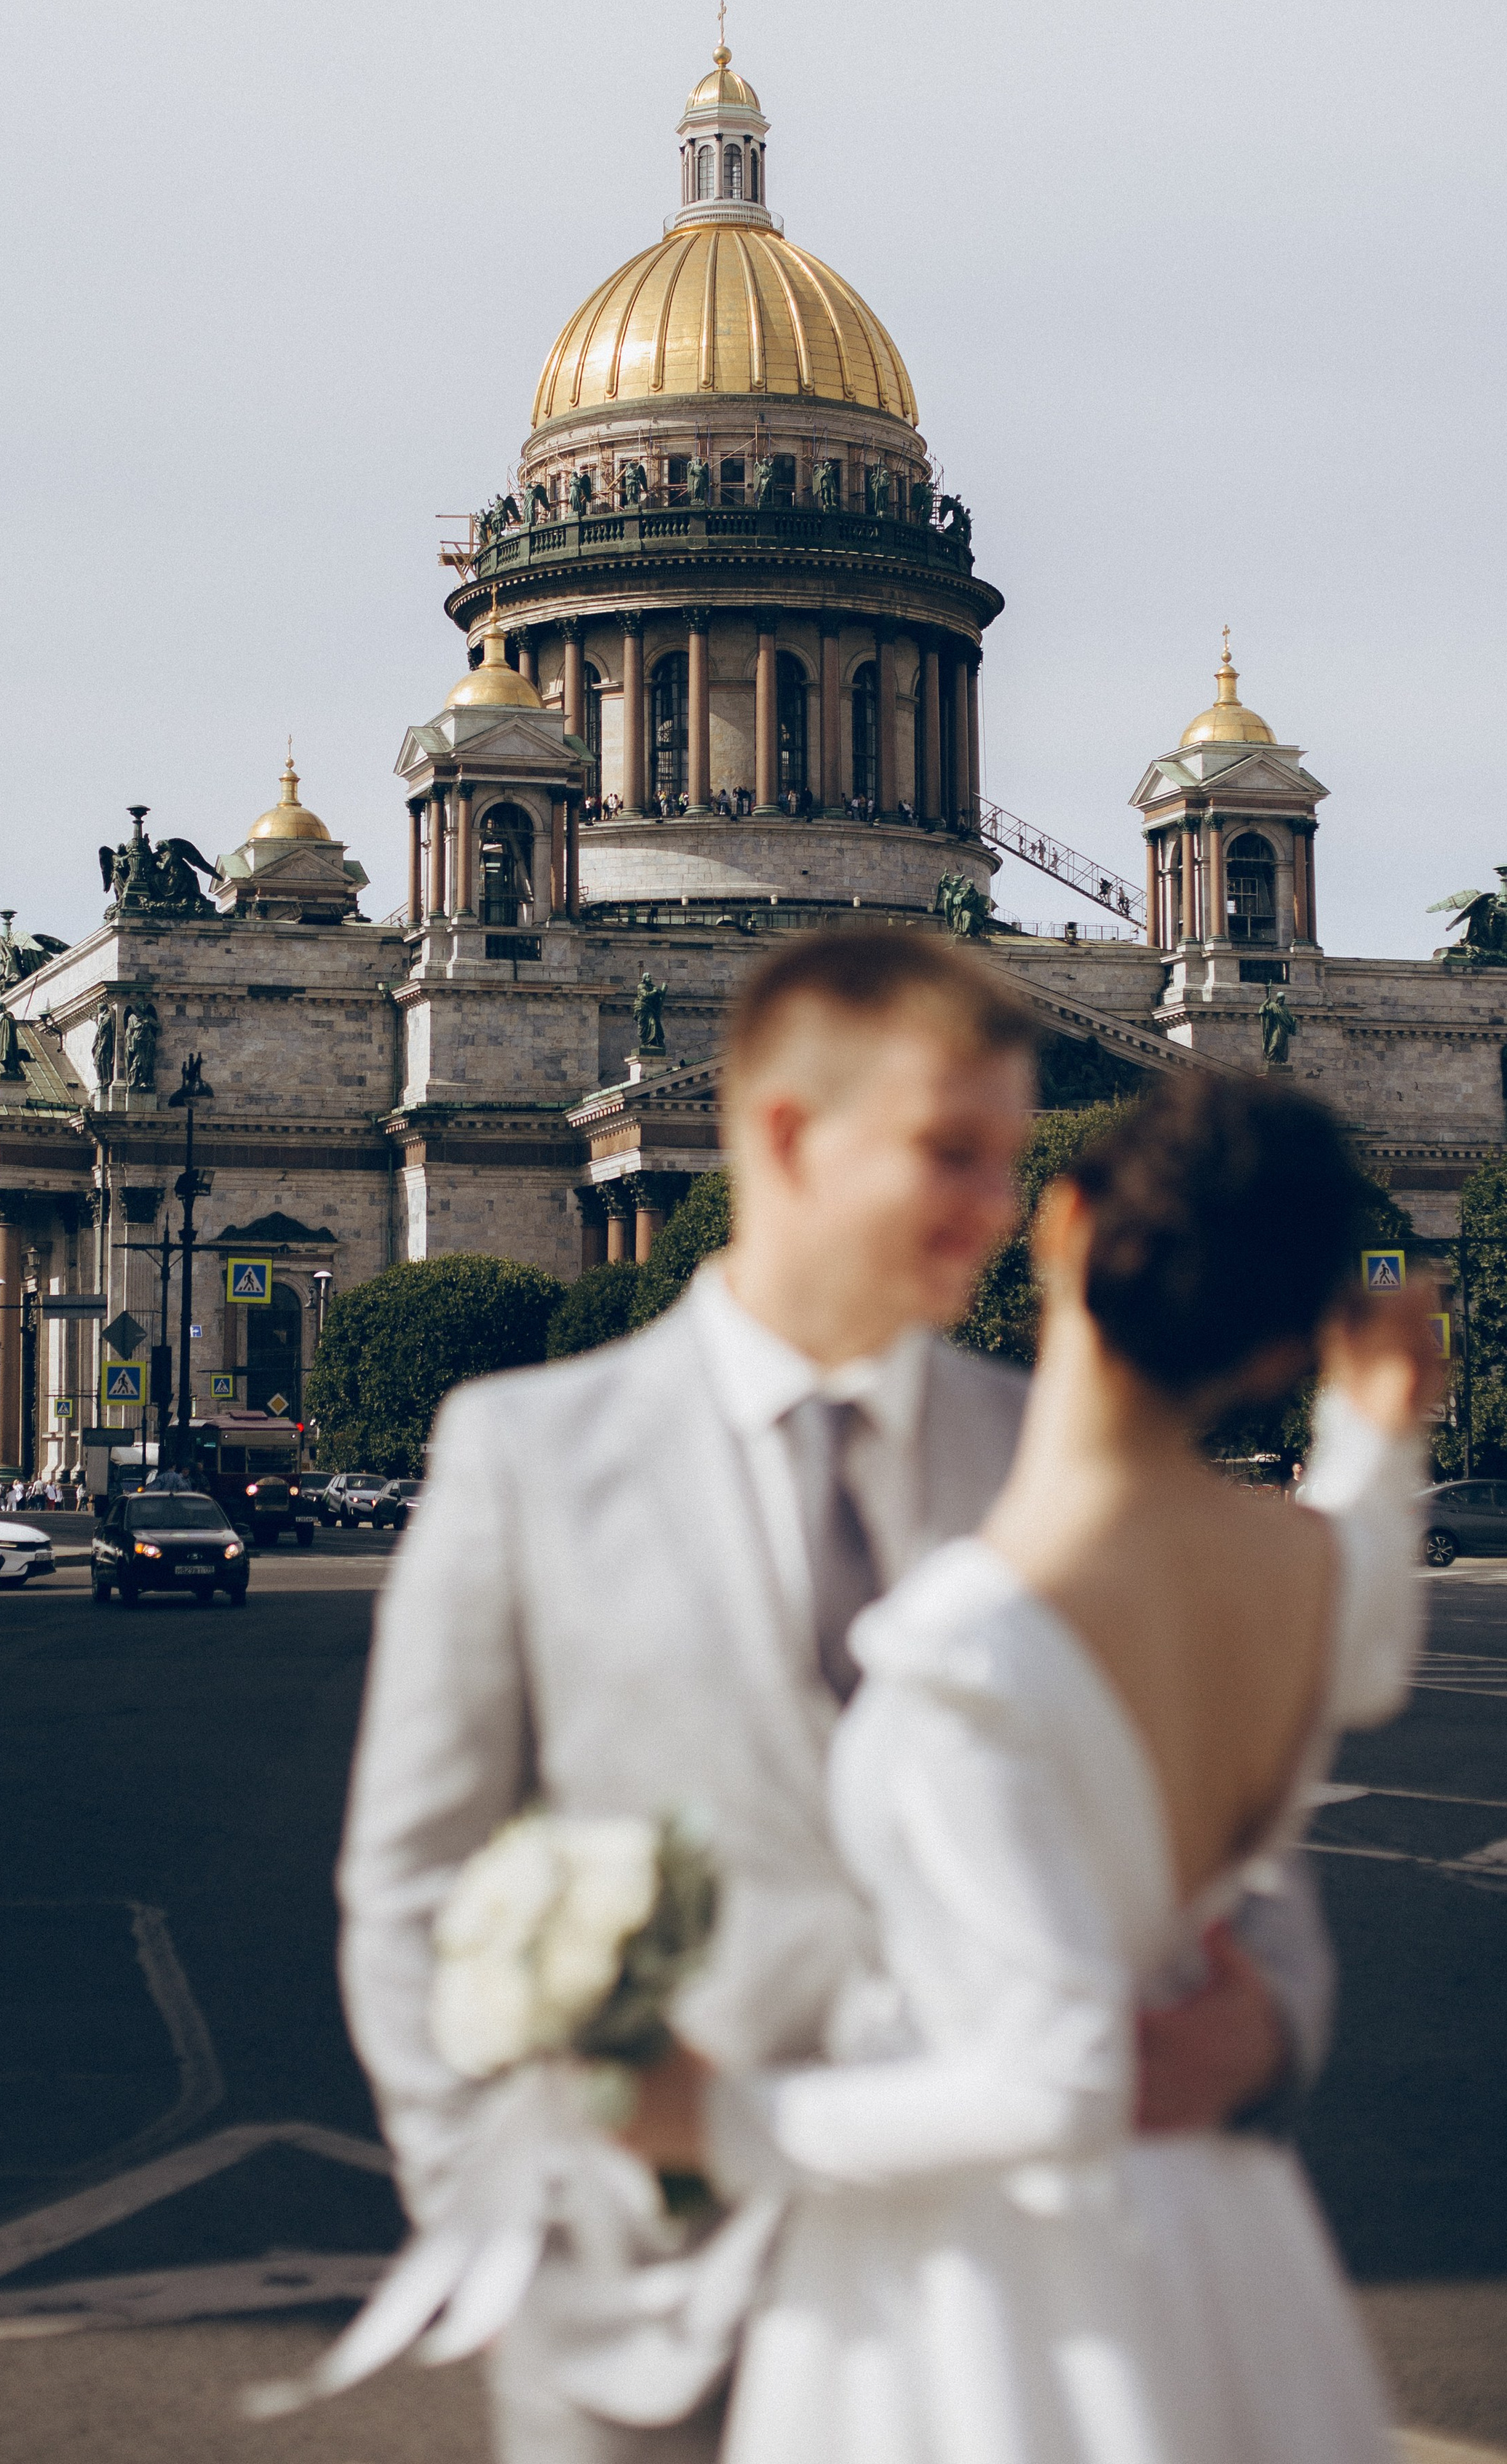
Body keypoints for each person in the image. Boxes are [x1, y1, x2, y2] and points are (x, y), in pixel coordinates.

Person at [339, 930, 1423, 2464]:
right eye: (952, 1152)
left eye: (1006, 1153)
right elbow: (411, 1881)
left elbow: (1225, 1822)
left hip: (1007, 2296)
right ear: (784, 1135)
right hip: (639, 2300)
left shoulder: (1059, 1455)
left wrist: (1265, 2041)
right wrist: (497, 2207)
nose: (1003, 1203)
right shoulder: (524, 1452)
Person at [688, 1074, 1426, 2463]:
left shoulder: (971, 1649)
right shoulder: (1316, 1585)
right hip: (1236, 2243)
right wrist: (1377, 1421)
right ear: (1280, 1349)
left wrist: (704, 2117)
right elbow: (1373, 1595)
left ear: (1064, 1221)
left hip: (993, 2308)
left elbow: (1052, 2085)